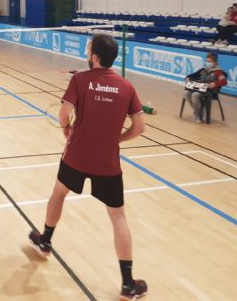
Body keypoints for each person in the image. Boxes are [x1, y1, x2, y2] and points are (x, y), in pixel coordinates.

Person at [28, 33, 148, 301]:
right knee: (118, 217)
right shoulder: (127, 87)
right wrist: (117, 139)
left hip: (76, 156)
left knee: (58, 193)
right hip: (108, 162)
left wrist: (66, 128)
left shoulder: (80, 79)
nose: (86, 52)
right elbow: (139, 127)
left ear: (95, 57)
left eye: (88, 48)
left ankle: (45, 241)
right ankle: (128, 284)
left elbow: (63, 113)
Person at [183, 53, 228, 123]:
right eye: (207, 61)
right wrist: (187, 78)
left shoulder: (218, 72)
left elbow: (224, 82)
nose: (207, 63)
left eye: (210, 61)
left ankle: (197, 115)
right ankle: (198, 112)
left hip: (210, 91)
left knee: (195, 95)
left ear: (215, 63)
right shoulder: (203, 70)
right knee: (186, 93)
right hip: (200, 88)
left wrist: (214, 84)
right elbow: (192, 75)